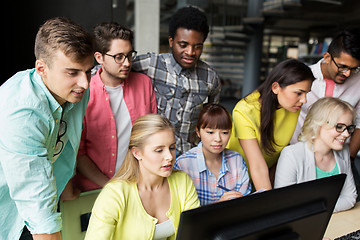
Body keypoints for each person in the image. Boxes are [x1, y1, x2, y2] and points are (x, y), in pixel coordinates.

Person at [0, 18, 94, 240]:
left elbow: (65, 139)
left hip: (37, 204)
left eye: (88, 71)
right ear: (41, 68)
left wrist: (67, 183)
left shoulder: (75, 91)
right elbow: (37, 204)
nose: (85, 83)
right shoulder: (22, 114)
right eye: (72, 72)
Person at [84, 114, 200, 239]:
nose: (170, 157)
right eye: (159, 150)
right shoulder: (115, 194)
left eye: (172, 148)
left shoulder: (182, 181)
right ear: (137, 153)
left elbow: (194, 233)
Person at [73, 22, 157, 192]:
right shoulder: (84, 92)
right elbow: (78, 154)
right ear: (99, 58)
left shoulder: (143, 84)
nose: (126, 63)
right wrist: (111, 188)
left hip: (137, 187)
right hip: (95, 192)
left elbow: (152, 136)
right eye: (119, 57)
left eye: (129, 55)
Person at [132, 6, 221, 156]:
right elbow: (112, 69)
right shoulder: (152, 64)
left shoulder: (210, 78)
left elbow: (212, 121)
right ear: (171, 41)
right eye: (183, 45)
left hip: (189, 159)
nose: (190, 52)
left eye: (197, 47)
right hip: (153, 159)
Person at [227, 59, 315, 191]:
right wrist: (269, 202)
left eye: (306, 93)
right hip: (233, 181)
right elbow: (257, 165)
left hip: (265, 177)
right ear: (276, 88)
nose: (304, 100)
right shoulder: (244, 111)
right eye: (298, 93)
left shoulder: (292, 106)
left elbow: (279, 152)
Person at [275, 97, 357, 212]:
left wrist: (318, 209)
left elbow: (350, 198)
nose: (346, 134)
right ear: (318, 124)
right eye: (339, 127)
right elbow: (284, 204)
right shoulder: (291, 155)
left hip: (336, 221)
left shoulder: (344, 151)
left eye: (349, 128)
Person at [291, 28, 360, 161]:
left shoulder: (358, 81)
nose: (347, 74)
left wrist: (349, 158)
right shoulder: (302, 78)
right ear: (327, 58)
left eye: (354, 68)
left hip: (339, 158)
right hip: (299, 156)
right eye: (342, 67)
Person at [174, 104, 251, 205]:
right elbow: (181, 211)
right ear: (198, 132)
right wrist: (219, 205)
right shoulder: (182, 164)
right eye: (210, 132)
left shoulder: (237, 160)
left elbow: (245, 203)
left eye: (224, 133)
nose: (218, 139)